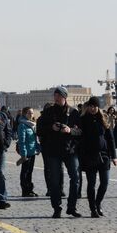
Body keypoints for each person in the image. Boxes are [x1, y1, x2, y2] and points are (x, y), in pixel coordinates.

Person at [36, 86, 82, 218]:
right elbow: (39, 130)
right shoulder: (49, 112)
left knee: (75, 178)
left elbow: (80, 131)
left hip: (70, 150)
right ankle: (57, 207)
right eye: (55, 95)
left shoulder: (73, 112)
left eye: (59, 95)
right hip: (53, 151)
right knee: (55, 181)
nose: (56, 98)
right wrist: (51, 127)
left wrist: (70, 130)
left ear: (64, 97)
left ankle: (71, 207)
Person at [79, 96, 117, 218]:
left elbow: (110, 139)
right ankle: (93, 209)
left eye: (94, 106)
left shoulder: (104, 118)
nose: (92, 108)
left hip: (104, 155)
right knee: (91, 184)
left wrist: (114, 156)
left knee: (105, 182)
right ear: (88, 107)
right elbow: (79, 138)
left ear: (98, 107)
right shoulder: (83, 119)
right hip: (90, 156)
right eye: (90, 106)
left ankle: (98, 203)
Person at [17, 107, 40, 197]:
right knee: (25, 172)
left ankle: (30, 189)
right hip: (26, 153)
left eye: (32, 113)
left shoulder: (32, 125)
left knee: (29, 172)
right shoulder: (22, 125)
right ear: (24, 114)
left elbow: (35, 139)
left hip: (32, 152)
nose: (31, 115)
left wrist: (38, 148)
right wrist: (23, 154)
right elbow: (21, 141)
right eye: (29, 113)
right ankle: (25, 190)